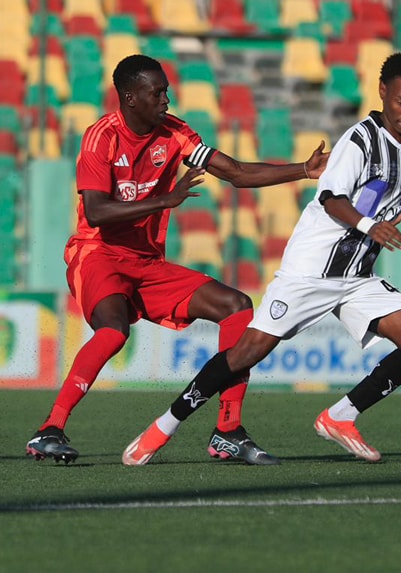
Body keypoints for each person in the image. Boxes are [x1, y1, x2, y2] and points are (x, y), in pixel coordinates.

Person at [121, 51, 401, 466]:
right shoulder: (359, 142)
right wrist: (371, 226)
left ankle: (341, 417)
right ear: (382, 93)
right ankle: (164, 426)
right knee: (247, 353)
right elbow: (332, 199)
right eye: (400, 103)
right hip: (313, 268)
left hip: (357, 275)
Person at [26, 54, 329, 465]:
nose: (167, 99)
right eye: (158, 92)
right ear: (131, 98)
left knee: (236, 307)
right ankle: (50, 429)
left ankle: (227, 431)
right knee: (113, 331)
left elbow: (236, 172)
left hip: (147, 263)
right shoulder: (101, 138)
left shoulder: (176, 133)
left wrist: (303, 172)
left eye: (166, 90)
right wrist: (165, 200)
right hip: (97, 253)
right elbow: (96, 212)